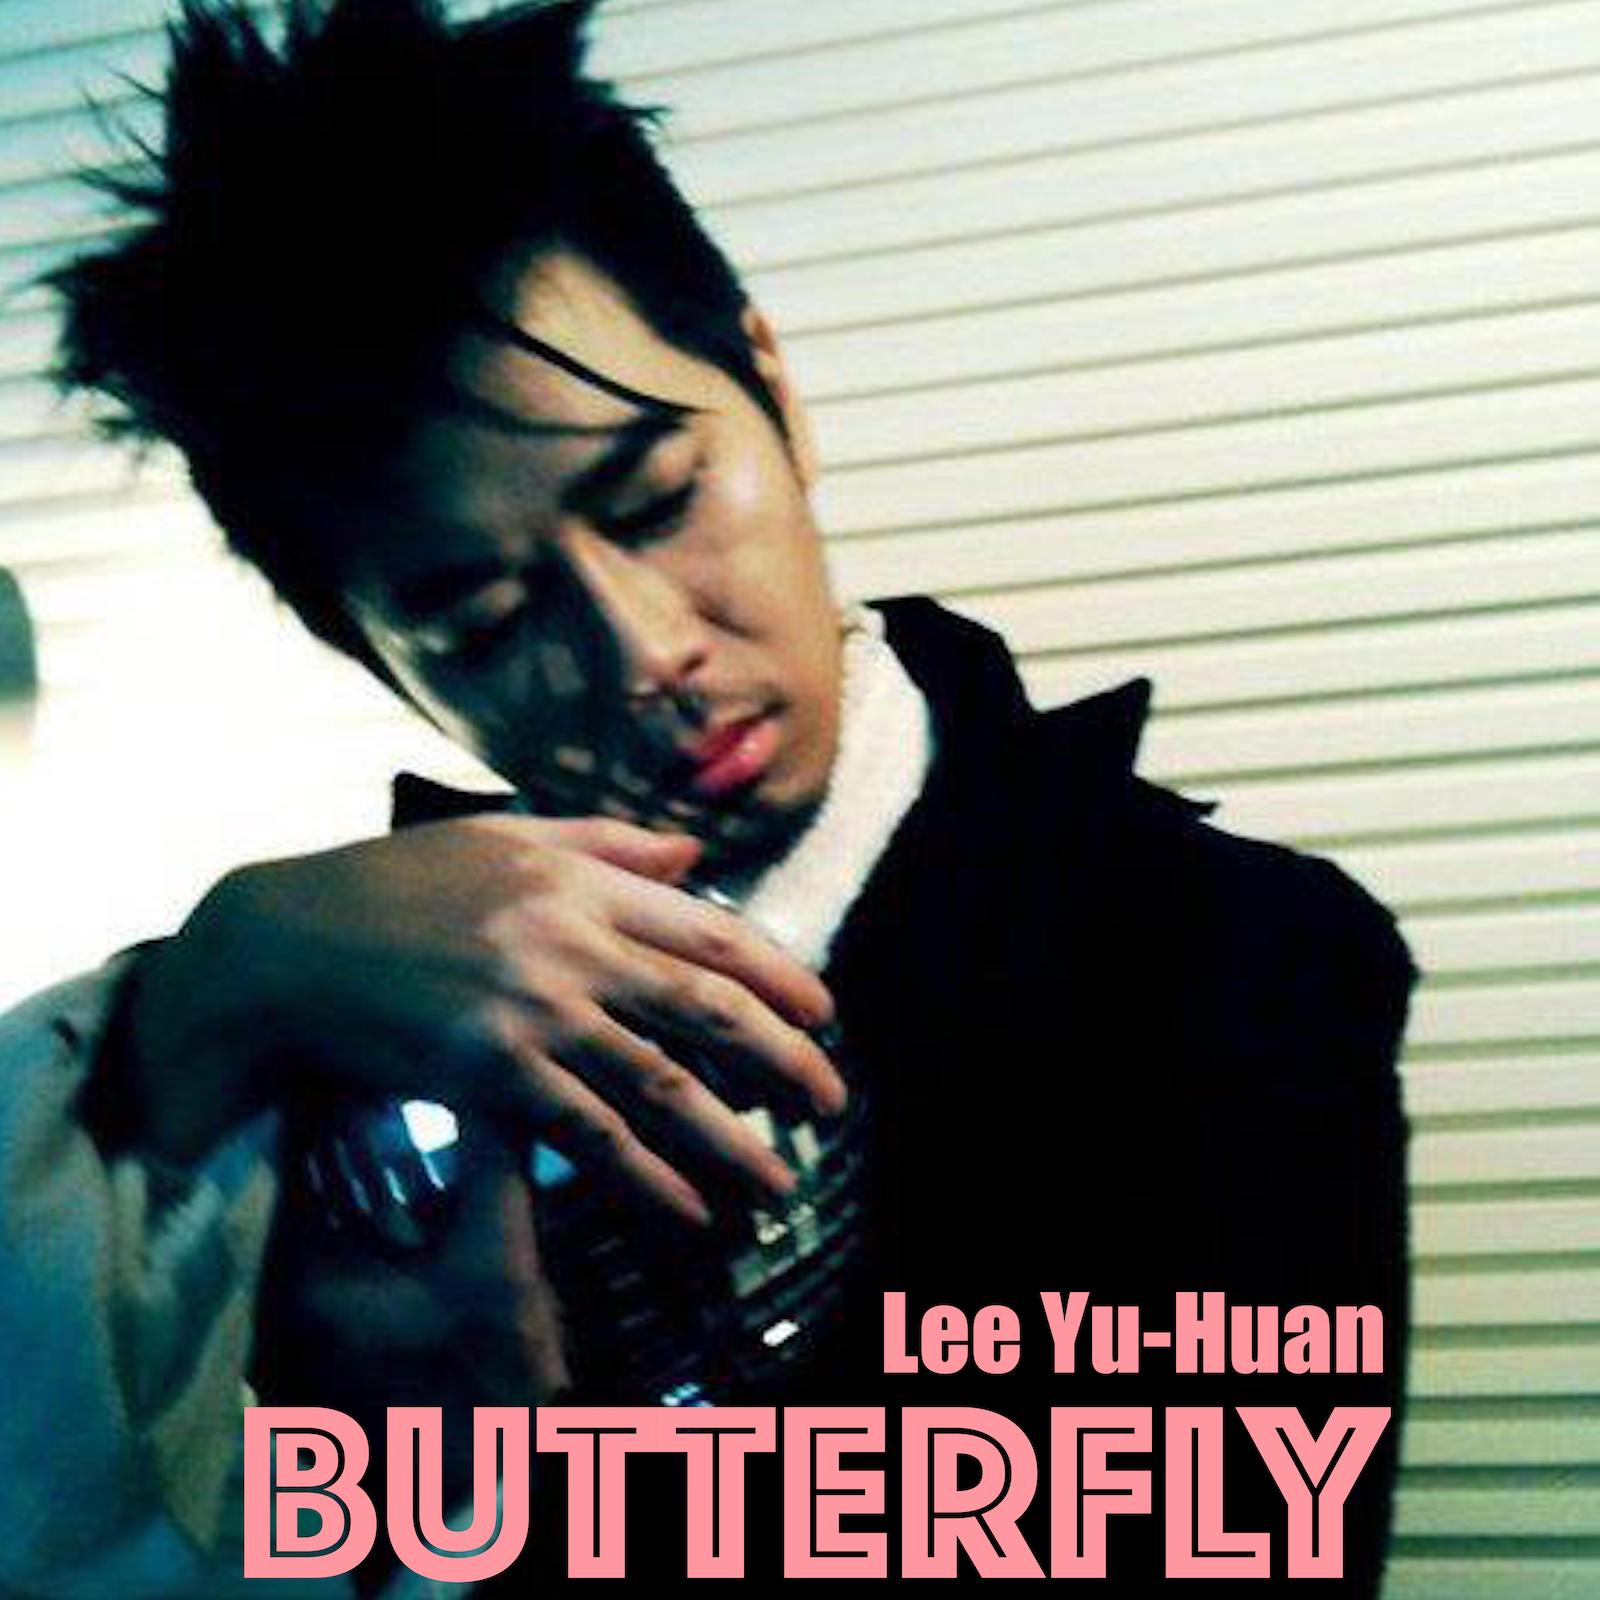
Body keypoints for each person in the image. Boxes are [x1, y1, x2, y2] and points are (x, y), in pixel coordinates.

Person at [0, 0, 1415, 1592]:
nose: (643, 653)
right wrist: (221, 978)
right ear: (369, 650)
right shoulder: (316, 1029)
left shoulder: (1236, 951)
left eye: (658, 497)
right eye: (484, 619)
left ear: (774, 386)